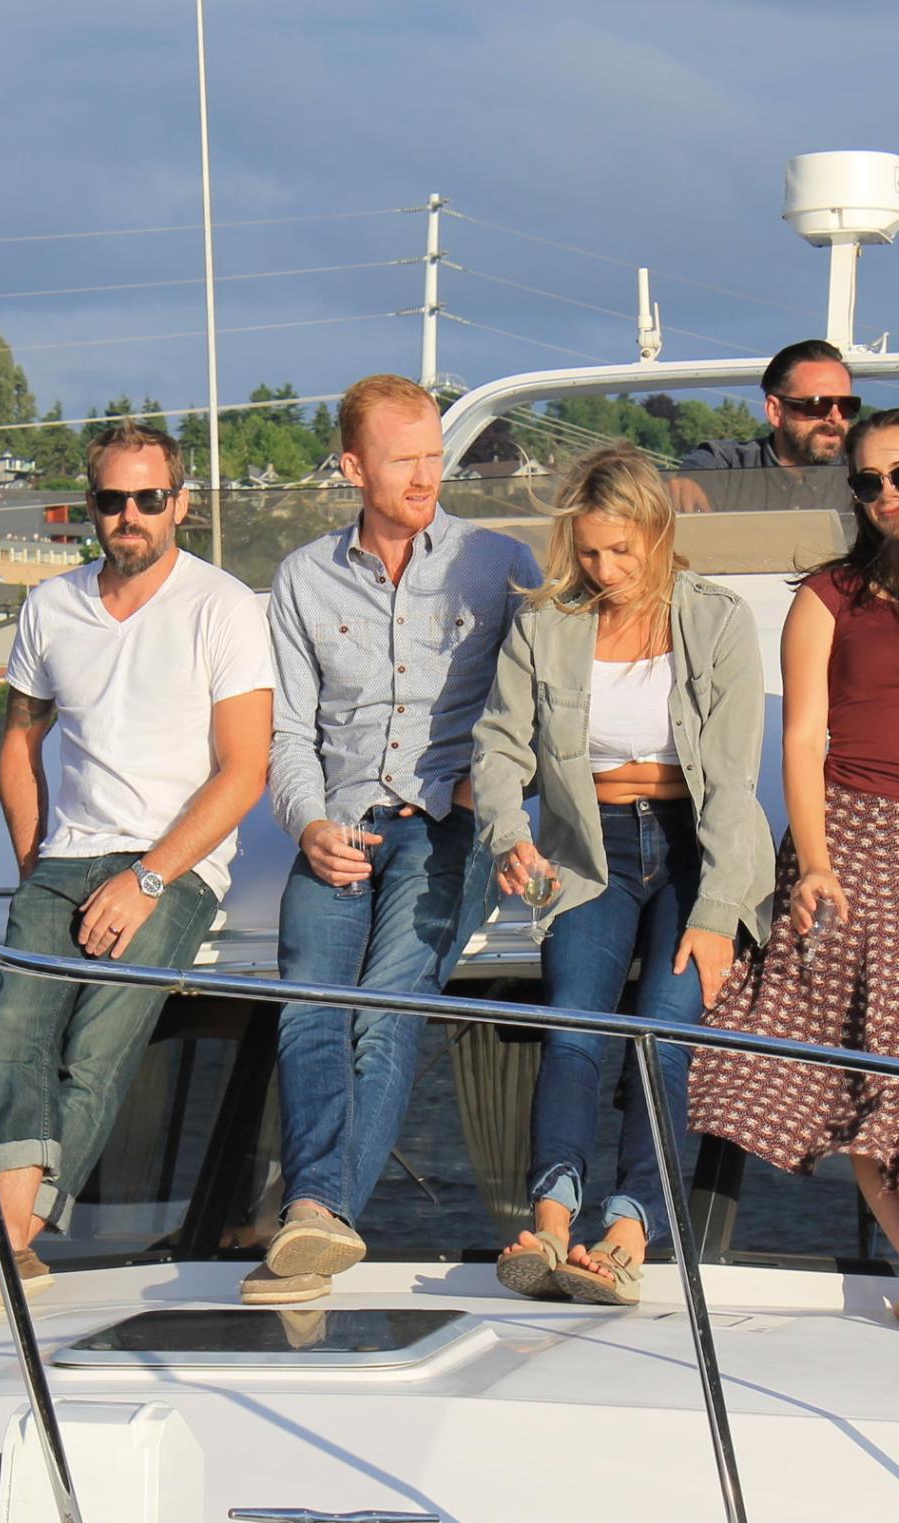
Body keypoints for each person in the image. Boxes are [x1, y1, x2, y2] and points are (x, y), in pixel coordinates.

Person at [687, 405, 899, 1335]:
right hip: (847, 832)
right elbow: (802, 741)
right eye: (868, 481)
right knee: (849, 1061)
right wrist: (812, 865)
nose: (885, 495)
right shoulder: (826, 596)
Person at [0, 419, 273, 1320]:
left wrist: (149, 878)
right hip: (63, 861)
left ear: (181, 505)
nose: (130, 516)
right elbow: (19, 738)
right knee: (14, 1039)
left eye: (148, 499)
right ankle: (8, 1249)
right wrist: (34, 860)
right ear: (91, 507)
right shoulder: (52, 608)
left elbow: (246, 770)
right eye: (113, 500)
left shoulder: (224, 608)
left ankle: (1, 1246)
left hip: (174, 870)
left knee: (95, 1048)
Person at [252, 373, 541, 1304]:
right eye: (402, 458)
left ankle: (315, 1211)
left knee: (385, 1012)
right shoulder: (301, 578)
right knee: (308, 1009)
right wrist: (309, 823)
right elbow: (289, 732)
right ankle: (319, 1217)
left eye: (433, 456)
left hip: (448, 828)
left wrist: (493, 790)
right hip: (338, 822)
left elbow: (537, 707)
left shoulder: (498, 566)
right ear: (352, 467)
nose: (425, 476)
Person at [470, 444, 773, 1306]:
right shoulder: (548, 622)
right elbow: (499, 746)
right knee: (572, 1030)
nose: (605, 570)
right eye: (591, 552)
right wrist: (505, 836)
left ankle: (631, 1231)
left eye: (621, 552)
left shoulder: (717, 619)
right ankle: (551, 1226)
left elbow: (735, 778)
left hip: (698, 846)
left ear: (658, 533)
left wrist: (717, 911)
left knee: (663, 1035)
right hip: (586, 852)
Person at [668, 339, 857, 514]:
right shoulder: (727, 465)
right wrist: (689, 483)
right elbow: (697, 472)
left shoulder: (862, 475)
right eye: (818, 405)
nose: (835, 416)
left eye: (847, 406)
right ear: (775, 411)